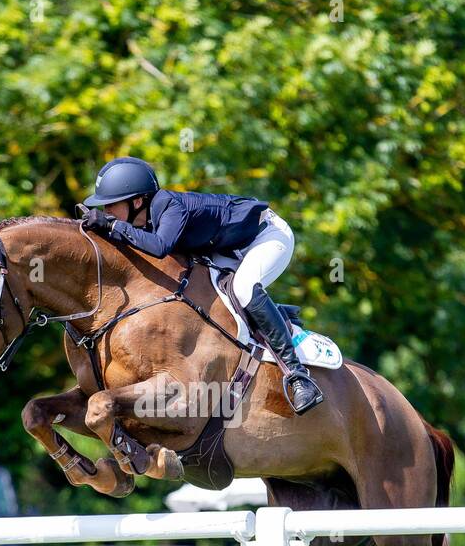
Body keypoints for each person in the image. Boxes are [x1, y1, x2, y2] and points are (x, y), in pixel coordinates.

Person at [78, 156, 323, 415]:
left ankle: (298, 376)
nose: (107, 213)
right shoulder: (145, 216)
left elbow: (159, 248)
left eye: (111, 206)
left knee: (244, 288)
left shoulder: (171, 207)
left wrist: (113, 226)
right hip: (226, 247)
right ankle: (274, 315)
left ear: (137, 201)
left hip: (266, 236)